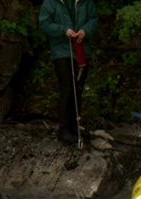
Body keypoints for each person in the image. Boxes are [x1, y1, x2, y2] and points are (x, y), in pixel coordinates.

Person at [39, 0, 99, 145]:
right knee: (67, 86)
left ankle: (74, 126)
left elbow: (94, 20)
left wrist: (85, 30)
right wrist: (63, 30)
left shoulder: (86, 2)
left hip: (81, 50)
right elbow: (44, 24)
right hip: (61, 50)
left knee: (78, 87)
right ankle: (63, 129)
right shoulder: (51, 2)